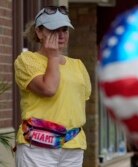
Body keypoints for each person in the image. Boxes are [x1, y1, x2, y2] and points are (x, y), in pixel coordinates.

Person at [14, 6, 91, 167]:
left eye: (65, 29)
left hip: (73, 146)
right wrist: (53, 56)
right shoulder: (26, 60)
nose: (61, 34)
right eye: (54, 29)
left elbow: (76, 104)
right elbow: (49, 89)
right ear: (39, 32)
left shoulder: (78, 65)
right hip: (37, 145)